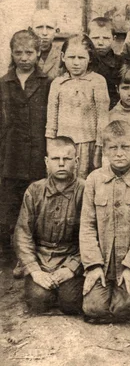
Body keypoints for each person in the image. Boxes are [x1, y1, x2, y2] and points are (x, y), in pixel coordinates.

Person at [80, 121, 130, 323]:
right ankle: (106, 291)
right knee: (93, 308)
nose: (119, 153)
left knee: (124, 308)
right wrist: (93, 265)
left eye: (125, 147)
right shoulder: (94, 179)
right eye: (113, 148)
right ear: (104, 150)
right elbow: (86, 227)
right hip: (103, 262)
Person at [13, 137, 85, 315]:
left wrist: (71, 268)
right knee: (39, 300)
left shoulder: (86, 190)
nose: (61, 164)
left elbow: (92, 235)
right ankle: (41, 287)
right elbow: (23, 234)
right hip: (41, 259)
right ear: (47, 162)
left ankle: (64, 291)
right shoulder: (35, 190)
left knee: (71, 302)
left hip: (71, 256)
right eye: (55, 159)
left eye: (67, 159)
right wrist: (35, 271)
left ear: (76, 161)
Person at [0, 30, 51, 260]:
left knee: (38, 204)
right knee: (10, 205)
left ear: (39, 53)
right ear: (11, 54)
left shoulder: (47, 83)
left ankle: (37, 253)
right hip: (11, 155)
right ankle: (11, 254)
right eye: (18, 52)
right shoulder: (4, 83)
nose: (24, 57)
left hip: (38, 154)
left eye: (29, 52)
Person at [46, 34, 110, 179]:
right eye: (71, 57)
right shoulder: (57, 83)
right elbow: (51, 120)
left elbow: (102, 118)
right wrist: (51, 148)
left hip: (89, 146)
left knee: (84, 183)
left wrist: (99, 150)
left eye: (81, 58)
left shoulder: (97, 82)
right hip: (63, 147)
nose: (76, 63)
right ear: (63, 56)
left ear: (90, 58)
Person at [88, 17, 124, 109]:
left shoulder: (121, 63)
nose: (100, 42)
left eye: (106, 38)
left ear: (114, 38)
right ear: (88, 38)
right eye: (95, 38)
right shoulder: (82, 61)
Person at [30, 9, 63, 80]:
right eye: (39, 27)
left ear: (56, 31)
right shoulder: (22, 54)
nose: (44, 33)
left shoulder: (63, 55)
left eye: (49, 28)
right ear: (30, 30)